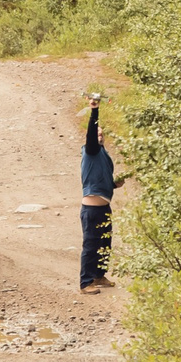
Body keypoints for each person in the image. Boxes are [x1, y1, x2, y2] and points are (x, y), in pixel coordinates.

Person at [79, 96, 123, 293]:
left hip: (104, 207)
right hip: (91, 209)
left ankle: (99, 276)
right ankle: (85, 282)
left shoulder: (103, 156)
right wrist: (94, 111)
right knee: (91, 245)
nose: (98, 135)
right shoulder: (90, 151)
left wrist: (114, 184)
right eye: (96, 133)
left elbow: (100, 179)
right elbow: (91, 134)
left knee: (105, 243)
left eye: (101, 134)